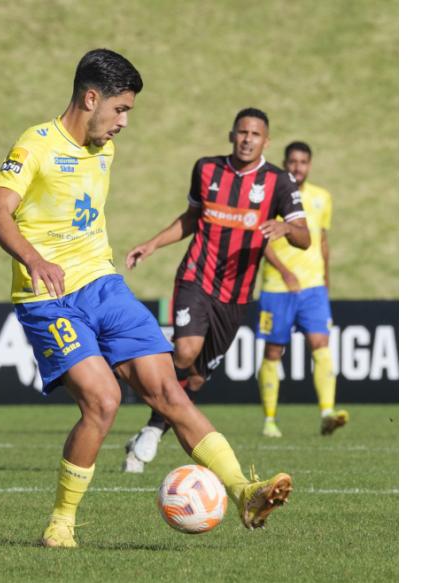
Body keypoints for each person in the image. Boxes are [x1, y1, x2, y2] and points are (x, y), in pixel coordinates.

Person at [0, 49, 295, 548]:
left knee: (170, 392)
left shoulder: (104, 147)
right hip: (48, 297)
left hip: (104, 286)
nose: (124, 121)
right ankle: (61, 523)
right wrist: (35, 260)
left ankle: (242, 490)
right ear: (91, 97)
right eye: (120, 109)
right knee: (102, 401)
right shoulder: (35, 145)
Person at [122, 108, 312, 473]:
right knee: (185, 351)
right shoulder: (207, 169)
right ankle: (148, 419)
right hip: (196, 277)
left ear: (266, 142)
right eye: (242, 132)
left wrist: (286, 229)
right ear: (231, 135)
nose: (247, 139)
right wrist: (152, 244)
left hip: (236, 295)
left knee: (196, 377)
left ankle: (151, 428)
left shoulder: (279, 182)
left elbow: (304, 236)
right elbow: (192, 218)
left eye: (255, 134)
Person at [257, 141, 348, 437]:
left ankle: (327, 413)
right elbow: (260, 242)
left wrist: (326, 280)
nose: (298, 167)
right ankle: (270, 420)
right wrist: (285, 273)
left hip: (313, 288)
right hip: (276, 287)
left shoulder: (323, 198)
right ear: (284, 163)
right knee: (273, 351)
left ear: (309, 165)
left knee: (321, 344)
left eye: (303, 162)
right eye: (293, 161)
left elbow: (321, 242)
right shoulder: (270, 195)